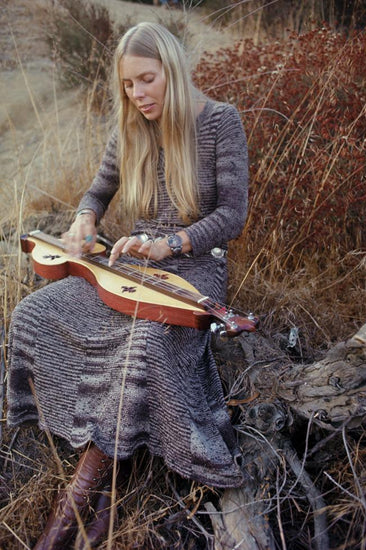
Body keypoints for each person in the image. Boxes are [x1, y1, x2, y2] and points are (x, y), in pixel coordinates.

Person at [7, 21, 249, 549]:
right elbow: (97, 192)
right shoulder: (130, 127)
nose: (137, 94)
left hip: (193, 268)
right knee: (34, 314)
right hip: (127, 265)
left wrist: (174, 243)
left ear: (174, 70)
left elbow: (233, 214)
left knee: (142, 346)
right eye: (128, 85)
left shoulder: (220, 123)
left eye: (147, 80)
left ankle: (87, 504)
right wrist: (84, 220)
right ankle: (83, 444)